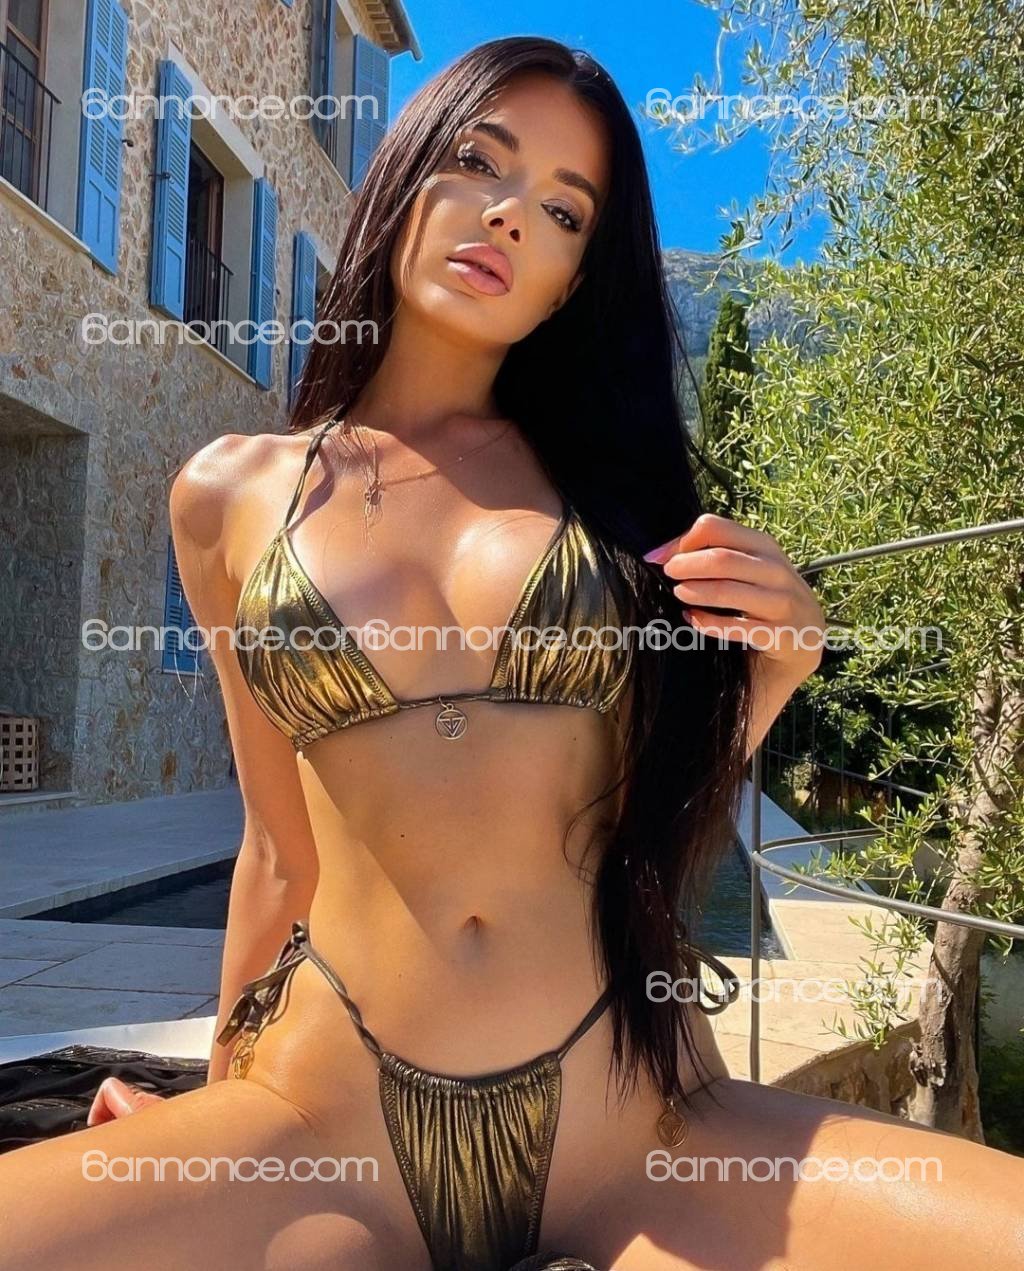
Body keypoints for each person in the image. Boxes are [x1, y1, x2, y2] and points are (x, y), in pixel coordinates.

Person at [1, 35, 1021, 1271]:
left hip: (635, 1130)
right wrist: (214, 1103)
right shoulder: (229, 494)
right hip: (325, 1126)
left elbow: (642, 827)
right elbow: (277, 848)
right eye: (480, 162)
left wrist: (775, 668)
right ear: (406, 177)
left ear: (571, 280)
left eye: (563, 210)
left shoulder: (619, 502)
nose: (509, 215)